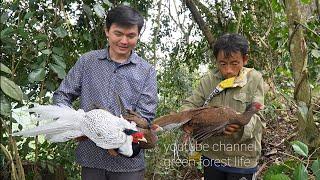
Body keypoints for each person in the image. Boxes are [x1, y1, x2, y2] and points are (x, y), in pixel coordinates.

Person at [52, 5, 158, 180]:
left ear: (138, 35)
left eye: (131, 35)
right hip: (91, 158)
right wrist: (74, 124)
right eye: (118, 33)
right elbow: (62, 95)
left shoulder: (146, 71)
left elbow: (146, 116)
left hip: (128, 164)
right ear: (107, 31)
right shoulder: (87, 62)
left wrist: (118, 137)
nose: (124, 41)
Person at [181, 33, 265, 180]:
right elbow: (190, 104)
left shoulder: (255, 79)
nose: (228, 70)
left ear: (244, 59)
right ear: (216, 61)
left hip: (242, 159)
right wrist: (186, 121)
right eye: (223, 64)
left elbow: (259, 119)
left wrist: (241, 126)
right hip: (212, 155)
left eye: (234, 63)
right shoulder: (209, 80)